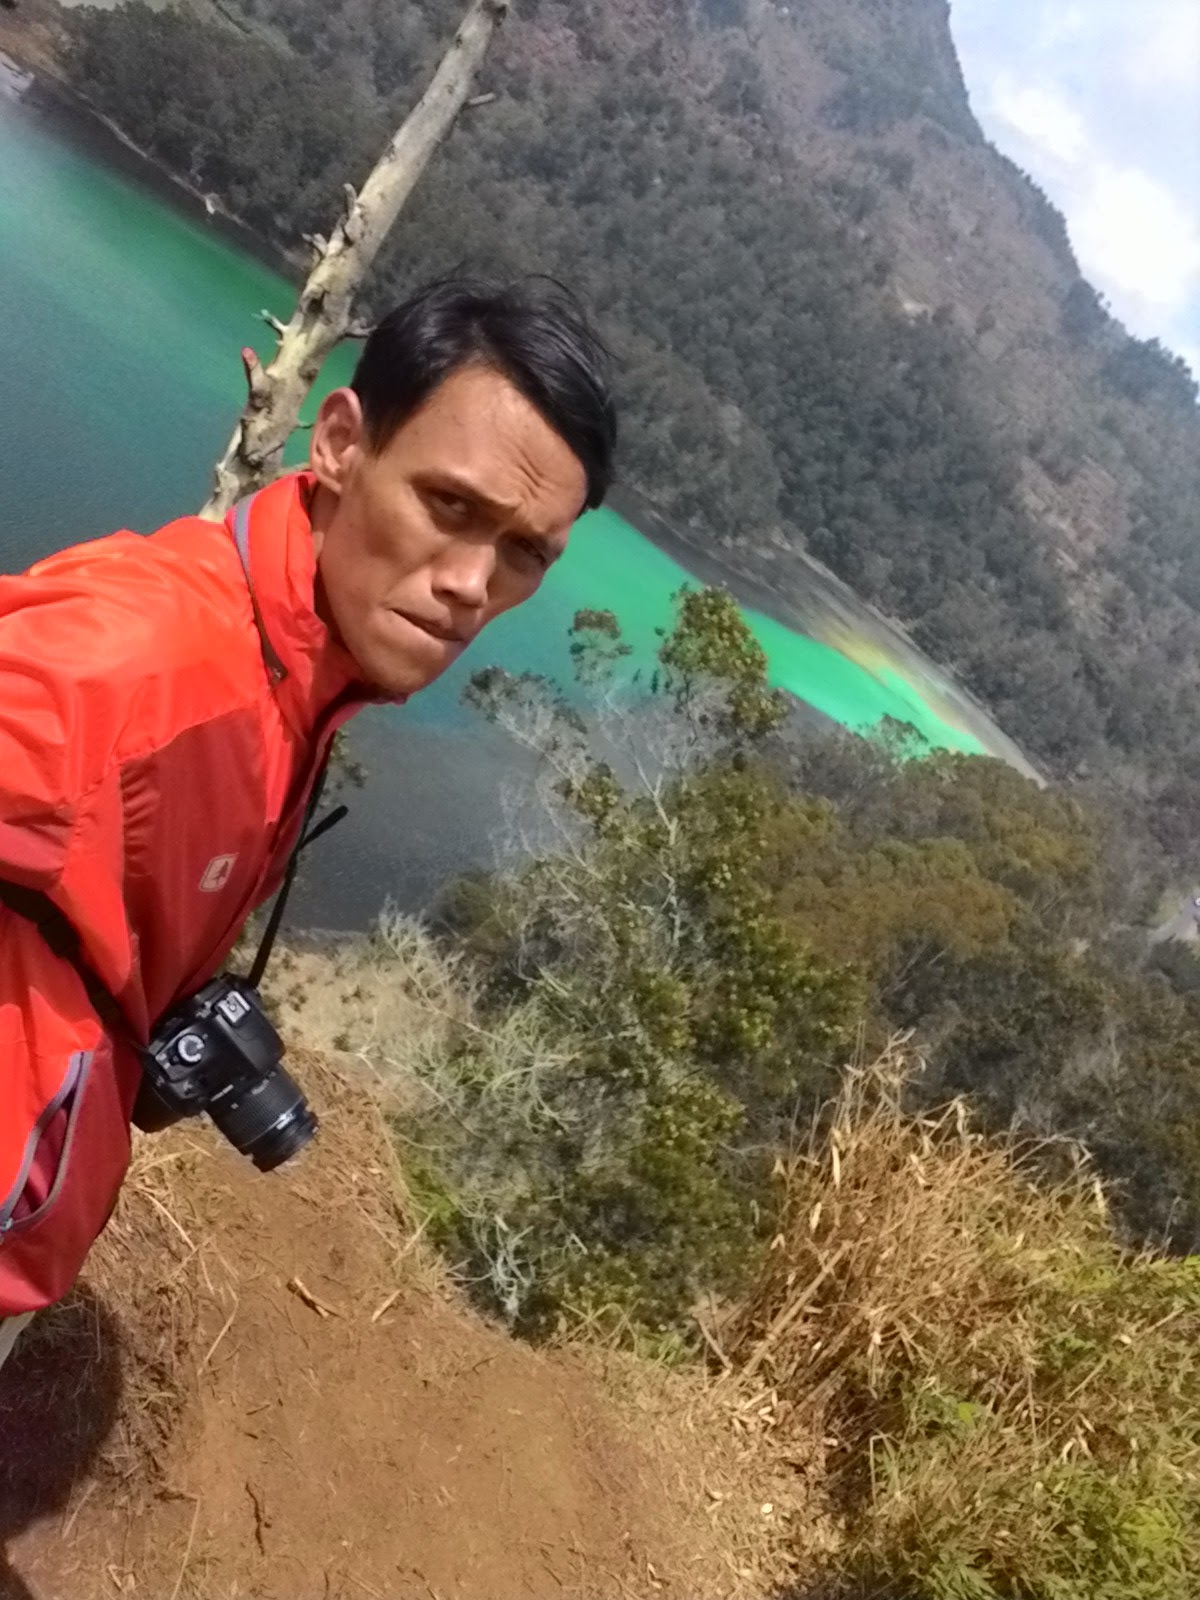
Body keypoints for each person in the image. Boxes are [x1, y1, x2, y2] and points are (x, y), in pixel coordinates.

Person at [0, 275, 617, 1366]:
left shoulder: (292, 681)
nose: (471, 584)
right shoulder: (136, 663)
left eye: (525, 552)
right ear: (338, 444)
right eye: (450, 506)